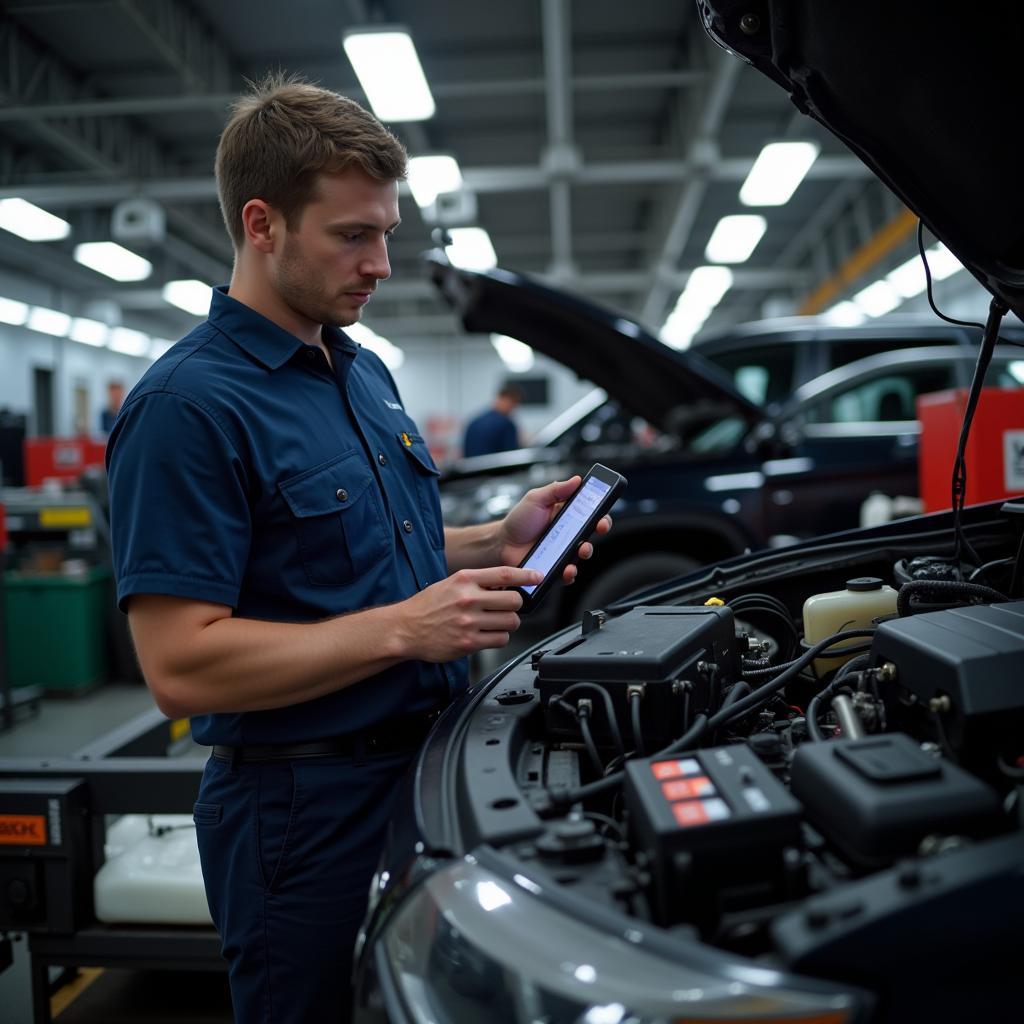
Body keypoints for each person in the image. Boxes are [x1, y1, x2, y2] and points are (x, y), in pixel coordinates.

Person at [105, 75, 611, 1024]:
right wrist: (403, 630)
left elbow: (369, 549)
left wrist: (488, 541)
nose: (380, 262)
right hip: (301, 816)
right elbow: (181, 665)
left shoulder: (361, 370)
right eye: (351, 235)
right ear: (263, 225)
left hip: (425, 769)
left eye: (385, 232)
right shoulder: (186, 410)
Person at [462, 383, 522, 456]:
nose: (514, 408)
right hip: (495, 466)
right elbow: (511, 454)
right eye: (514, 404)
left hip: (471, 466)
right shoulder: (506, 424)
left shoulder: (474, 421)